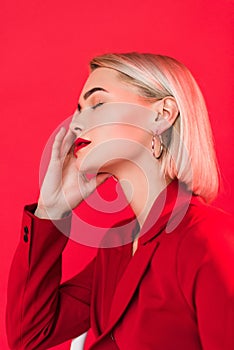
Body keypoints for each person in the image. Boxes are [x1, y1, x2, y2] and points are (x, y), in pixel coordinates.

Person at [6, 52, 234, 350]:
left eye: (97, 103)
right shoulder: (117, 249)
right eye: (78, 108)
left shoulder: (209, 238)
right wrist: (52, 210)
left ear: (162, 115)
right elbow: (28, 335)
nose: (76, 123)